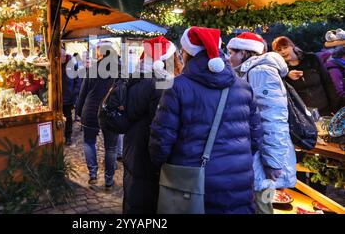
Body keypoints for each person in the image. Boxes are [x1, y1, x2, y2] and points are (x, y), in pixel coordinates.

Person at [149, 27, 263, 214]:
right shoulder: (244, 86)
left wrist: (160, 165)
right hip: (239, 180)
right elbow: (256, 137)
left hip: (194, 181)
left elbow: (161, 141)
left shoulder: (177, 87)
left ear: (186, 53)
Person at [227, 32, 297, 214]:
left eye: (231, 52)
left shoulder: (261, 71)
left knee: (262, 206)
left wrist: (273, 162)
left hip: (265, 160)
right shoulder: (250, 71)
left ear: (244, 52)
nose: (229, 57)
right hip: (259, 156)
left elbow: (273, 117)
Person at [123, 35, 180, 214]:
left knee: (134, 196)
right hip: (150, 153)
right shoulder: (163, 85)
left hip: (133, 147)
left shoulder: (135, 80)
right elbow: (163, 128)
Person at [76, 41, 118, 189]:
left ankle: (93, 174)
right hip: (110, 112)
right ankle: (108, 180)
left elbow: (83, 92)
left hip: (91, 110)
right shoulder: (119, 69)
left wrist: (79, 111)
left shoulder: (93, 68)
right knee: (111, 148)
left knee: (89, 142)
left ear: (100, 53)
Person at [272, 36, 339, 116]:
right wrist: (286, 75)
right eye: (279, 50)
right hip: (304, 116)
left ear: (292, 46)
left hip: (326, 110)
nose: (283, 51)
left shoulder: (311, 58)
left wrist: (335, 107)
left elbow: (328, 83)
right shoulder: (280, 70)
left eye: (285, 47)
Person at [61, 47, 80, 146]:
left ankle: (68, 136)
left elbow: (78, 80)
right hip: (57, 97)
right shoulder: (55, 64)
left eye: (63, 55)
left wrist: (74, 92)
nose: (62, 57)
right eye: (60, 56)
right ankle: (58, 136)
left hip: (68, 96)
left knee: (68, 117)